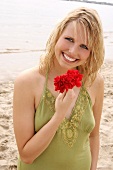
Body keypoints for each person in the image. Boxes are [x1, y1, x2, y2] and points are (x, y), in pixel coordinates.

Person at [13, 7, 104, 170]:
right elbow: (26, 155)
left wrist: (93, 167)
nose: (73, 51)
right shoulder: (27, 82)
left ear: (91, 52)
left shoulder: (95, 82)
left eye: (84, 46)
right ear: (57, 36)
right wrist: (59, 115)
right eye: (69, 39)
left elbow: (94, 136)